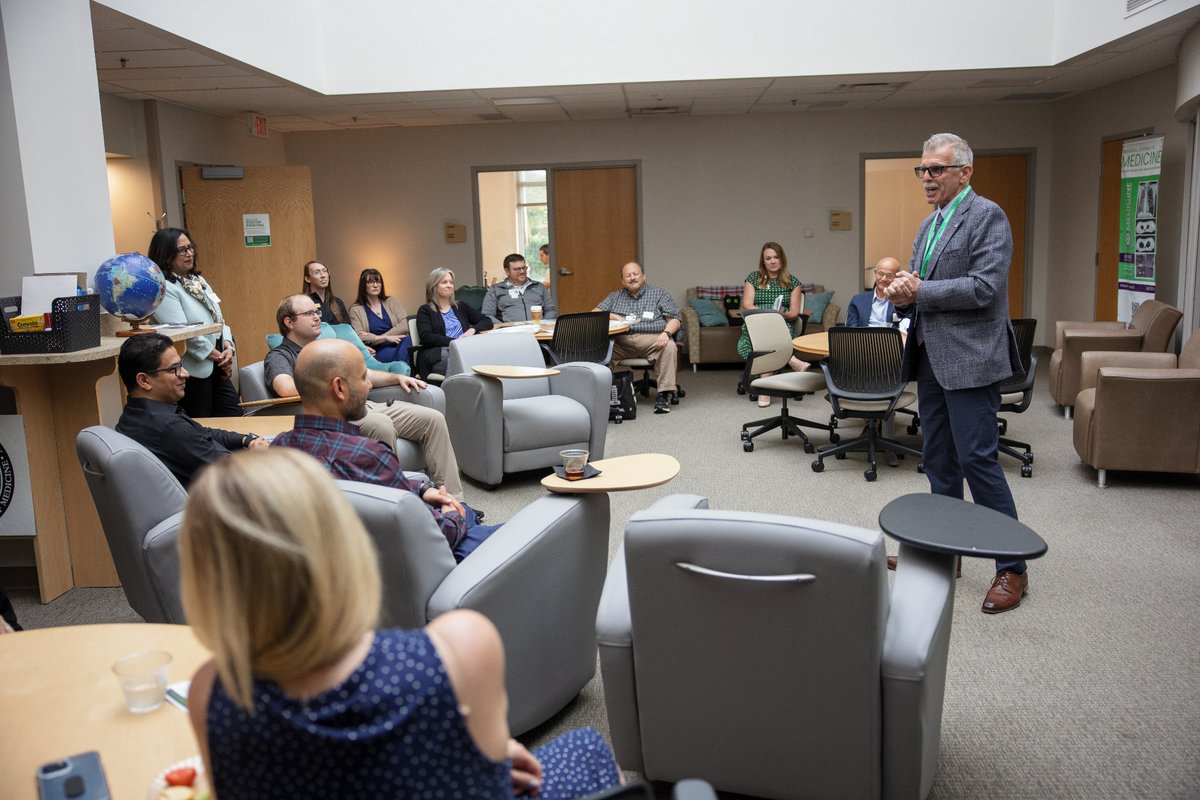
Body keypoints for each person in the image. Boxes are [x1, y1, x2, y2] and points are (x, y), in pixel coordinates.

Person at [180, 447, 622, 799]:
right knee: (587, 750)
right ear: (343, 543)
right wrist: (497, 751)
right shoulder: (455, 647)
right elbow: (486, 778)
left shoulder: (211, 692)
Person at [885, 132, 1028, 614]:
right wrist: (902, 286)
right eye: (922, 170)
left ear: (964, 172)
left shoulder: (987, 216)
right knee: (940, 459)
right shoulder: (929, 225)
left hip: (971, 358)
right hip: (930, 357)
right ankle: (944, 551)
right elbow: (920, 278)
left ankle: (1012, 567)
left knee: (978, 461)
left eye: (936, 170)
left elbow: (984, 288)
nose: (926, 178)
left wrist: (919, 290)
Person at [272, 339, 496, 561]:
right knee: (501, 533)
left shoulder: (278, 450)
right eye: (363, 378)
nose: (369, 385)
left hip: (344, 561)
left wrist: (420, 488)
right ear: (339, 388)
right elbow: (436, 535)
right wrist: (454, 515)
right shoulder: (368, 455)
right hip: (412, 563)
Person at [266, 294, 467, 502]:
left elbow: (365, 374)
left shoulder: (327, 348)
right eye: (309, 313)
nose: (317, 317)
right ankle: (399, 504)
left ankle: (454, 501)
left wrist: (396, 377)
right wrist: (335, 383)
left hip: (365, 404)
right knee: (381, 424)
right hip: (337, 414)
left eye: (316, 311)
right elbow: (285, 388)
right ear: (289, 322)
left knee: (433, 419)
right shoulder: (281, 356)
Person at [115, 334, 267, 486]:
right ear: (144, 381)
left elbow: (203, 433)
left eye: (181, 365)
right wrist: (256, 456)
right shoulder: (170, 428)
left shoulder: (133, 414)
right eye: (174, 369)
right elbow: (235, 473)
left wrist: (246, 440)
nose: (185, 374)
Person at [148, 227, 242, 417]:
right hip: (194, 369)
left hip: (218, 358)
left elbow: (219, 318)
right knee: (203, 423)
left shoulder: (197, 280)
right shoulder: (164, 288)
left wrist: (228, 346)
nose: (189, 253)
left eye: (190, 248)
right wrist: (218, 357)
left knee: (233, 414)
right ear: (166, 255)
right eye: (182, 250)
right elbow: (183, 333)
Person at [595, 261, 681, 414]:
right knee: (598, 351)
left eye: (636, 274)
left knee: (669, 346)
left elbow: (674, 319)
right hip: (622, 341)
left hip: (652, 339)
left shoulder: (659, 294)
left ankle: (663, 395)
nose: (632, 278)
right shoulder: (615, 296)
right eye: (628, 275)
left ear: (644, 276)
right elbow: (594, 313)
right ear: (623, 281)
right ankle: (602, 397)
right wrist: (610, 316)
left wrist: (666, 334)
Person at [736, 242, 808, 407]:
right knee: (765, 336)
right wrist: (767, 314)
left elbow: (794, 312)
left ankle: (765, 389)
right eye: (768, 258)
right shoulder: (754, 278)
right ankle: (793, 361)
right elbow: (747, 304)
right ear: (763, 261)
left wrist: (781, 315)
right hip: (756, 324)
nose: (772, 261)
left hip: (781, 324)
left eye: (776, 257)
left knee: (771, 337)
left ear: (782, 259)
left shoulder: (793, 282)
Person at [416, 267, 493, 377]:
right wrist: (455, 343)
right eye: (444, 282)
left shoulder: (460, 306)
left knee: (479, 353)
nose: (449, 285)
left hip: (464, 349)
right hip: (439, 354)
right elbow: (426, 336)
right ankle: (454, 391)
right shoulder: (425, 310)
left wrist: (473, 329)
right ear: (434, 286)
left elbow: (487, 321)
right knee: (457, 356)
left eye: (451, 282)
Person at [348, 268, 409, 364]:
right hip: (377, 350)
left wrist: (384, 336)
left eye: (378, 282)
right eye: (370, 282)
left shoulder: (391, 301)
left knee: (408, 340)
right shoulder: (356, 309)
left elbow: (405, 324)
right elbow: (359, 337)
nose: (375, 285)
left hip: (398, 343)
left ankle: (400, 374)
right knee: (405, 353)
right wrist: (384, 339)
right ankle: (405, 375)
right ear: (363, 286)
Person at [481, 253, 557, 324]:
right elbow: (487, 315)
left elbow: (550, 310)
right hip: (511, 334)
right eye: (517, 269)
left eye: (524, 268)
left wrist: (544, 324)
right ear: (507, 271)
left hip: (539, 331)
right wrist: (503, 328)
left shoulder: (539, 287)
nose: (522, 271)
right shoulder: (496, 289)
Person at [847, 257, 902, 328]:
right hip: (864, 338)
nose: (884, 279)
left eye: (889, 275)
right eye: (881, 274)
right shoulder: (857, 301)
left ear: (897, 277)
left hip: (890, 338)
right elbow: (851, 330)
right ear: (875, 273)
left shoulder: (902, 302)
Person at [301, 260, 350, 325]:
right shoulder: (302, 303)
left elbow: (348, 329)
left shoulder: (338, 302)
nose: (323, 275)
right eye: (317, 272)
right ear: (307, 279)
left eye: (324, 271)